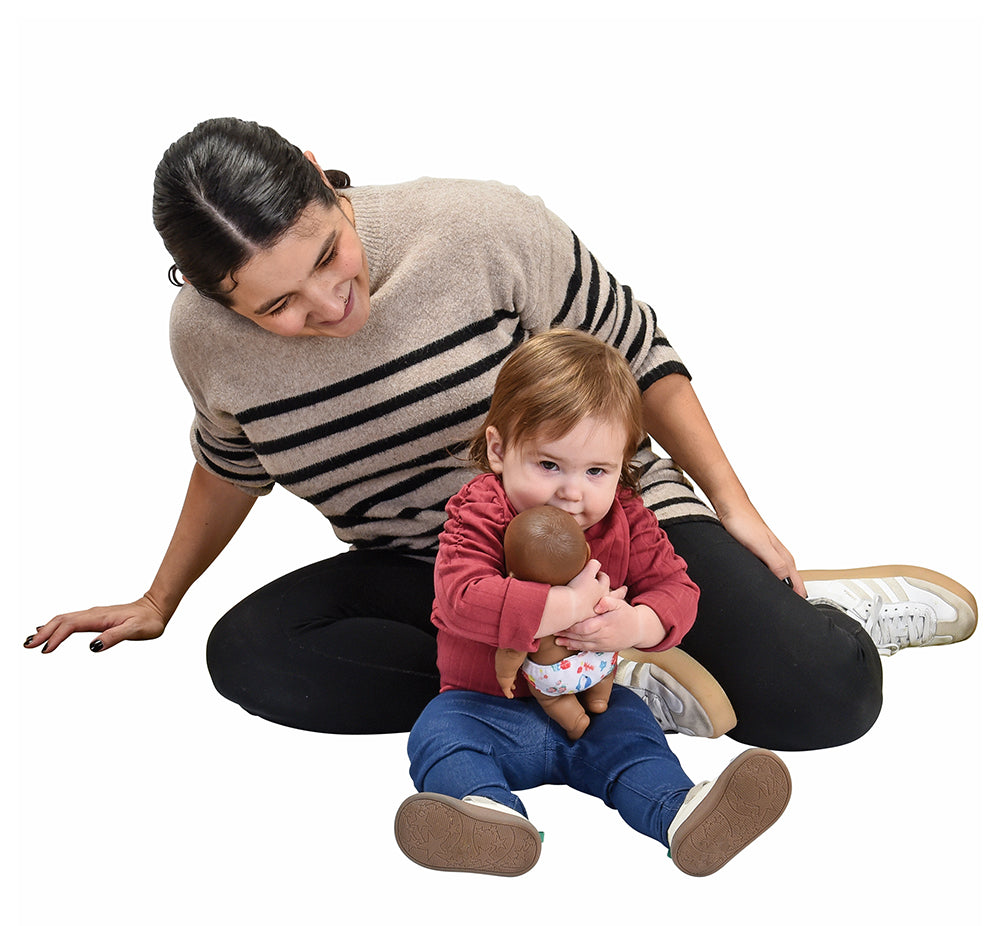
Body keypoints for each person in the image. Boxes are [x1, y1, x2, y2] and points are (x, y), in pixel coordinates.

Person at [22, 117, 977, 752]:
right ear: (209, 294)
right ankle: (596, 683)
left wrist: (737, 515)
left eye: (328, 253)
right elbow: (229, 466)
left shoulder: (479, 229)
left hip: (610, 532)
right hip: (443, 569)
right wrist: (160, 599)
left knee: (824, 702)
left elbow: (642, 356)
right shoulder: (204, 342)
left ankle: (819, 619)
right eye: (279, 304)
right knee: (252, 655)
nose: (330, 302)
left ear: (320, 176)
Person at [395, 329, 790, 877]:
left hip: (592, 706)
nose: (572, 492)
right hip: (486, 708)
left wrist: (637, 623)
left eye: (596, 471)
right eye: (549, 465)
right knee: (439, 733)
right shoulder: (478, 511)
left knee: (633, 733)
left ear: (622, 465)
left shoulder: (625, 516)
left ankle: (681, 814)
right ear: (499, 450)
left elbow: (678, 591)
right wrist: (568, 603)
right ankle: (487, 818)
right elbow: (462, 599)